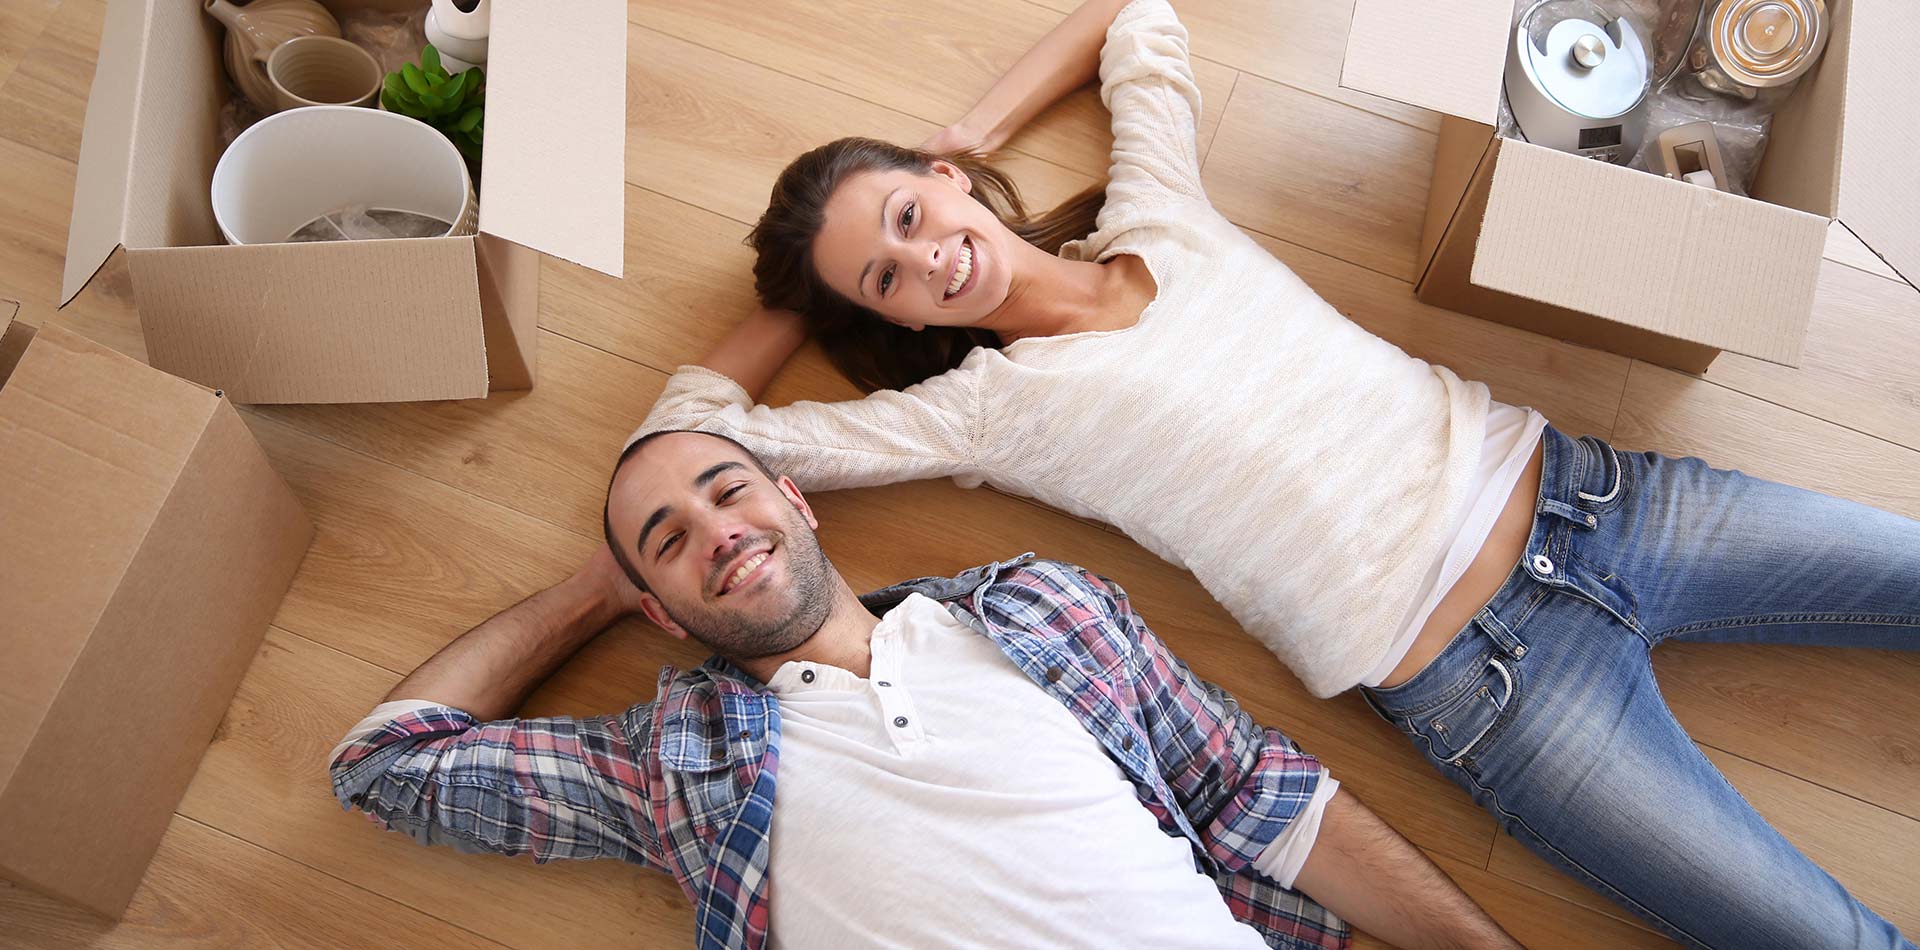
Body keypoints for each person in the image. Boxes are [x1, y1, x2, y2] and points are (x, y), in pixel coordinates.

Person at [629, 0, 1920, 947]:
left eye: (912, 218)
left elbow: (1137, 22)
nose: (928, 264)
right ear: (895, 325)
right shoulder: (980, 413)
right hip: (1494, 692)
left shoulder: (1159, 211)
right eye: (887, 282)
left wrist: (970, 121)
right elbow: (693, 430)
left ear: (946, 181)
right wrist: (809, 296)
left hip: (1598, 502)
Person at [328, 430, 1521, 950]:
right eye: (667, 538)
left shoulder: (1042, 603)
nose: (715, 530)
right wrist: (589, 587)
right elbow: (386, 763)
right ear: (659, 609)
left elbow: (1270, 797)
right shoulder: (669, 761)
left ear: (797, 499)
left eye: (727, 489)